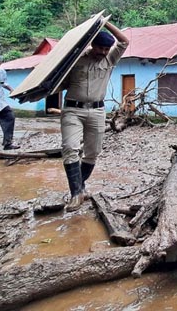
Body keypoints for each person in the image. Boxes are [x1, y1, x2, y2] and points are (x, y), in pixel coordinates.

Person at [60, 21, 129, 212]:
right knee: (70, 148)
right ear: (92, 45)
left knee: (92, 152)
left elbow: (124, 41)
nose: (103, 52)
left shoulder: (110, 60)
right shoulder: (75, 59)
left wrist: (106, 23)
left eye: (106, 49)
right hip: (73, 110)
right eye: (100, 48)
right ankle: (75, 194)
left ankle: (80, 187)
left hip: (98, 111)